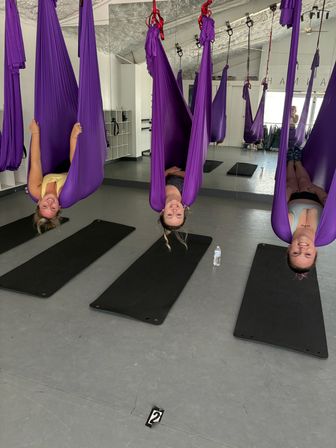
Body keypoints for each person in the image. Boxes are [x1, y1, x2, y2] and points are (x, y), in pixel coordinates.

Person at [28, 119, 82, 233]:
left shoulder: (35, 190)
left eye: (44, 206)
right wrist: (73, 138)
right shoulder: (64, 194)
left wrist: (35, 133)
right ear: (59, 207)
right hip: (75, 166)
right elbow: (76, 168)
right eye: (53, 208)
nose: (50, 203)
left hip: (56, 163)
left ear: (39, 202)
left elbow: (35, 162)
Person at [286, 147, 327, 274]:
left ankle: (289, 163)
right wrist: (316, 190)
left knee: (291, 181)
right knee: (304, 181)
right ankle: (297, 162)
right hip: (314, 195)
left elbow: (281, 205)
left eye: (295, 253)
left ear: (288, 249)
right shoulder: (323, 230)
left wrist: (290, 190)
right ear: (316, 252)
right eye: (308, 254)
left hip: (294, 195)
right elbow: (327, 203)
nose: (302, 249)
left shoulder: (288, 227)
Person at [159, 166, 188, 249]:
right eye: (179, 214)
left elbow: (156, 180)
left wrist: (168, 171)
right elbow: (190, 176)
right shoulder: (186, 195)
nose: (174, 210)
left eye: (169, 215)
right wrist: (171, 172)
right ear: (183, 210)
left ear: (163, 212)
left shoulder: (158, 196)